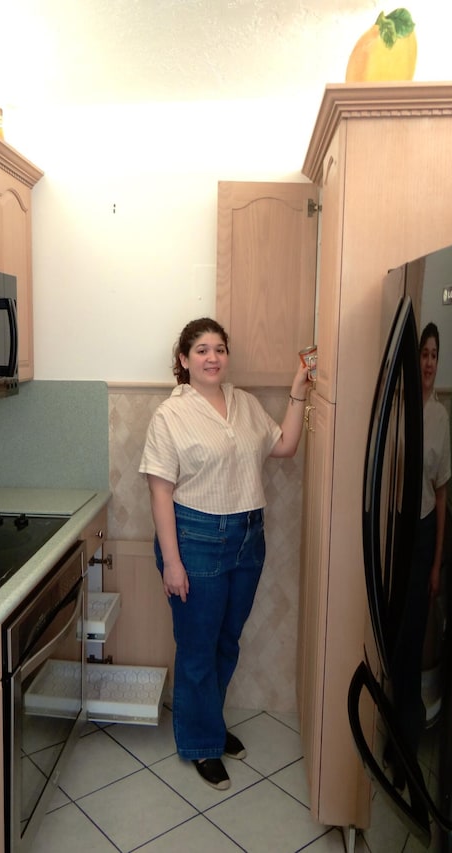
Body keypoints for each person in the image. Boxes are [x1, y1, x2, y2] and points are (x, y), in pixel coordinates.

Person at [139, 317, 310, 791]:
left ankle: (207, 726)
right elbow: (159, 492)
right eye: (201, 350)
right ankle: (201, 743)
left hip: (248, 538)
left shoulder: (245, 404)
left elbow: (286, 446)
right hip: (195, 541)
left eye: (219, 349)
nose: (212, 357)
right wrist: (172, 562)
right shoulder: (170, 416)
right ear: (183, 360)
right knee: (197, 651)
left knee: (226, 642)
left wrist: (299, 389)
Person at [388, 321, 451, 787]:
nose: (427, 362)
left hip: (425, 531)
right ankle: (394, 736)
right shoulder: (393, 411)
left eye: (432, 354)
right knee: (393, 641)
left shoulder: (442, 416)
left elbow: (443, 493)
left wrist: (436, 566)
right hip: (392, 531)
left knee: (410, 644)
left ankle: (405, 746)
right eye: (422, 354)